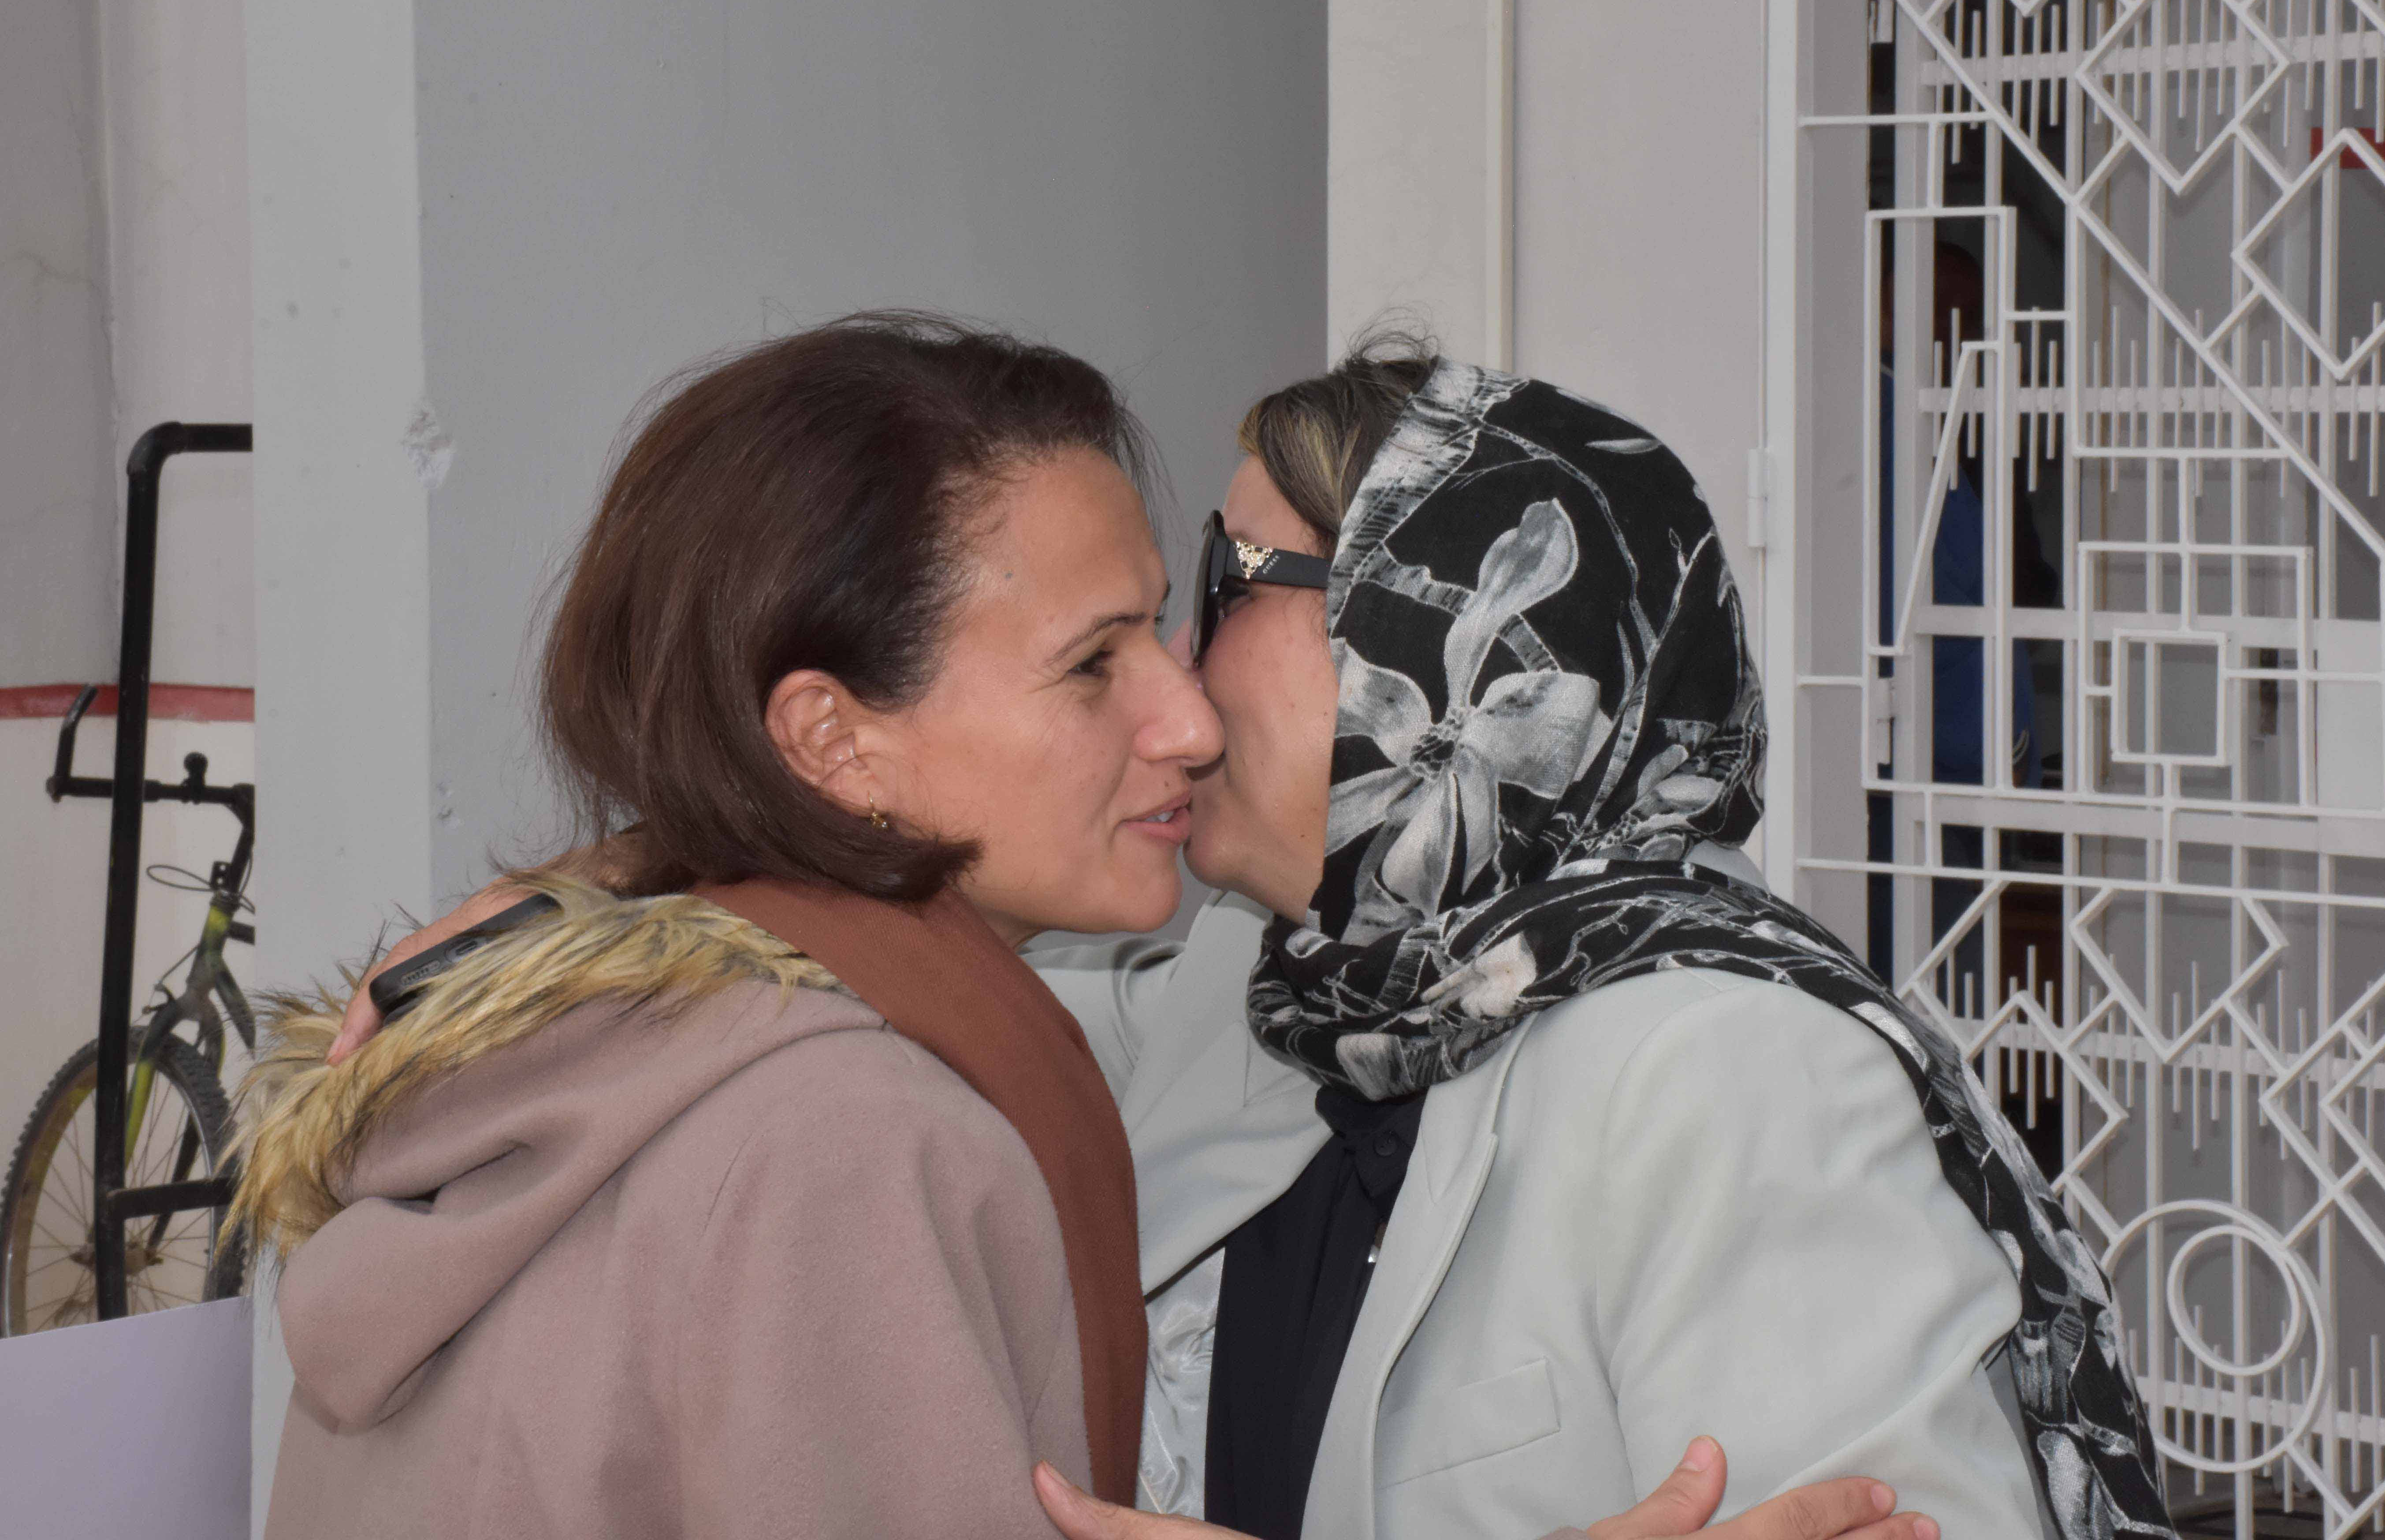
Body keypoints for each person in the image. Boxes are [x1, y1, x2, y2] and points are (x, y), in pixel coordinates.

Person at [265, 312, 1931, 1540]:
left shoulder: (1732, 1068)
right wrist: (637, 873)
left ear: (1479, 655)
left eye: (1220, 601)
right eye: (1104, 654)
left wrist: (641, 882)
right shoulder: (1225, 1004)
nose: (1183, 708)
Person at [1022, 339, 2177, 1540]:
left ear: (1432, 618)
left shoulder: (1730, 1071)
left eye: (1230, 579)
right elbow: (950, 998)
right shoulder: (1281, 981)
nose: (1177, 671)